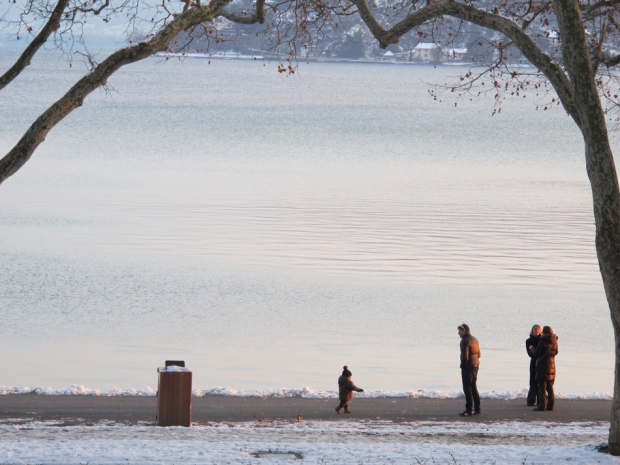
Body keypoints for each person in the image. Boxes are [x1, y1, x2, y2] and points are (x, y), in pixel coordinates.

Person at [531, 326, 559, 411]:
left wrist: (531, 348)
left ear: (544, 332)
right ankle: (550, 406)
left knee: (542, 388)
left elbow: (536, 353)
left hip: (542, 366)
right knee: (550, 387)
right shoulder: (555, 341)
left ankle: (542, 406)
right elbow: (556, 352)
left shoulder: (542, 341)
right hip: (552, 366)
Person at [458, 324, 481, 416]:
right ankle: (477, 409)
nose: (458, 333)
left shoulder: (465, 340)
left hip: (468, 366)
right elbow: (479, 354)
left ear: (464, 331)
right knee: (473, 386)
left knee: (467, 388)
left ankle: (469, 410)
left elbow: (465, 357)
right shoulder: (474, 339)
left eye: (460, 331)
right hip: (476, 364)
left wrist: (462, 366)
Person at [525, 325, 542, 406]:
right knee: (532, 381)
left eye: (538, 329)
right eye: (535, 329)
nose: (536, 330)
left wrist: (533, 349)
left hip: (541, 362)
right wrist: (535, 352)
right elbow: (530, 354)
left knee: (540, 382)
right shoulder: (528, 341)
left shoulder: (542, 340)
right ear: (532, 330)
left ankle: (540, 401)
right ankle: (531, 400)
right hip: (533, 362)